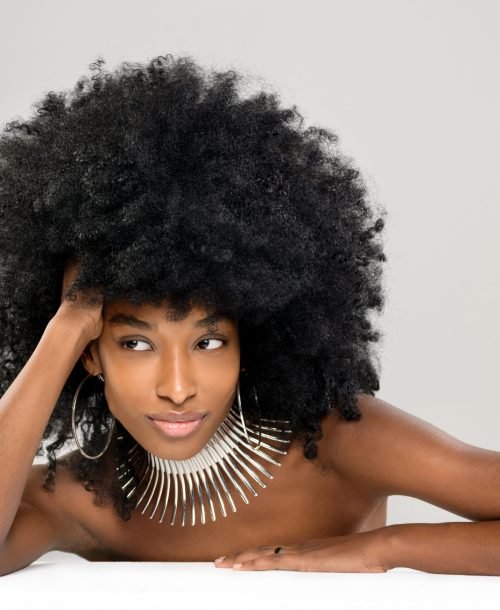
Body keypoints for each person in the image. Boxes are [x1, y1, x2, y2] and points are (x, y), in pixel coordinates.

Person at [0, 54, 499, 578]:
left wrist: (390, 548)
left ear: (249, 342)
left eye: (209, 342)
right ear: (91, 356)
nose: (177, 387)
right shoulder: (83, 497)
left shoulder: (334, 441)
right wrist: (67, 326)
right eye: (136, 344)